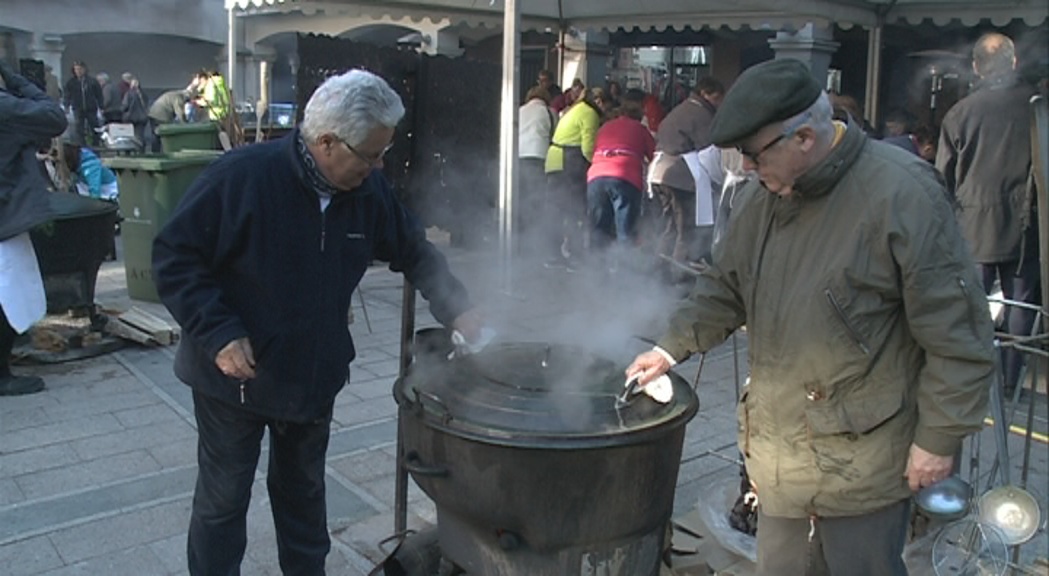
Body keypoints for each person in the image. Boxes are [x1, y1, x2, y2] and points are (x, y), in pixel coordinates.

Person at [626, 59, 995, 576]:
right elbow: (724, 287)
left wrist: (937, 439)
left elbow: (959, 336)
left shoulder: (903, 194)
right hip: (781, 459)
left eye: (754, 155)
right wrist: (668, 348)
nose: (747, 169)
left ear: (802, 138)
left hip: (864, 461)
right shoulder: (763, 198)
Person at [152, 68, 483, 575]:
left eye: (383, 155)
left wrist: (459, 307)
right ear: (326, 141)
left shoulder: (367, 194)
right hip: (234, 379)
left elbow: (414, 250)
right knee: (223, 501)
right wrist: (218, 332)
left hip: (312, 375)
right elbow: (174, 257)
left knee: (303, 497)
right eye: (370, 155)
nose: (377, 168)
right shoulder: (242, 177)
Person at [936, 32, 1041, 398]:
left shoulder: (960, 113)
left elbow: (943, 177)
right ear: (1013, 62)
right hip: (1026, 221)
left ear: (977, 66)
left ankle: (968, 380)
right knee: (1020, 303)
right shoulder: (1036, 107)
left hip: (972, 224)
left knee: (970, 305)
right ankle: (1010, 383)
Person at [0, 61, 68, 395]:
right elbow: (54, 118)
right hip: (4, 215)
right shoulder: (5, 106)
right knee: (9, 293)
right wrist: (14, 79)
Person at [648, 76, 724, 274]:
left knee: (670, 225)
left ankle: (659, 269)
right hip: (681, 176)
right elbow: (709, 153)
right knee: (685, 228)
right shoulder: (700, 114)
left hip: (659, 172)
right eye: (717, 98)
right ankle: (677, 275)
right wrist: (720, 181)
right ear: (705, 94)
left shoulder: (681, 109)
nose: (719, 103)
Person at [585, 89, 655, 270]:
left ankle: (595, 273)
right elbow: (654, 154)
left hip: (596, 176)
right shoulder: (640, 129)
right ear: (638, 117)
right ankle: (625, 277)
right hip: (625, 177)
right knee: (625, 231)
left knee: (599, 228)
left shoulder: (605, 127)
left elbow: (593, 150)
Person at [544, 86, 610, 269]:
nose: (606, 110)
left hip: (555, 160)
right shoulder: (590, 114)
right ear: (598, 101)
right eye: (606, 105)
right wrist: (596, 164)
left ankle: (552, 253)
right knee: (575, 209)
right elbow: (588, 147)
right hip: (569, 162)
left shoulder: (577, 108)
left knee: (556, 209)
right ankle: (573, 254)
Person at [518, 85, 555, 251]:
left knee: (521, 196)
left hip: (519, 155)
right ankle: (534, 237)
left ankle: (519, 235)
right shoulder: (549, 112)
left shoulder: (519, 111)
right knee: (536, 199)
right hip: (539, 156)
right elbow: (555, 134)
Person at [63, 60, 103, 146]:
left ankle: (96, 144)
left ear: (84, 69)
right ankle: (82, 145)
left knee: (94, 127)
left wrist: (101, 106)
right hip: (78, 108)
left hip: (91, 108)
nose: (78, 71)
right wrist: (66, 106)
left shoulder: (92, 81)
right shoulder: (71, 83)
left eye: (80, 69)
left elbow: (99, 94)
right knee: (79, 127)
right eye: (76, 69)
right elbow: (67, 95)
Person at [120, 75, 150, 149]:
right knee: (140, 136)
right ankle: (141, 149)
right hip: (142, 118)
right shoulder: (144, 94)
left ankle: (131, 150)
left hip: (131, 118)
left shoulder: (129, 94)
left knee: (130, 136)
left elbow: (125, 106)